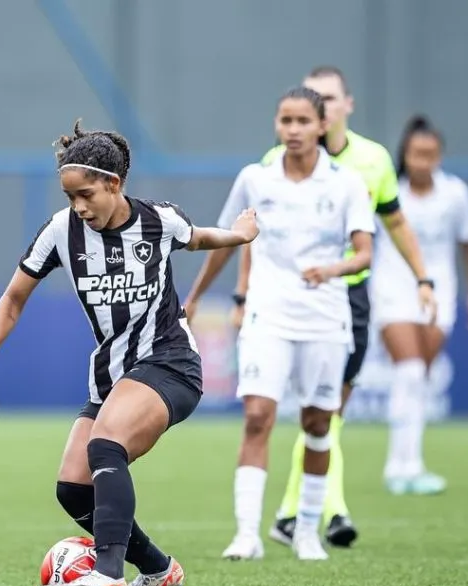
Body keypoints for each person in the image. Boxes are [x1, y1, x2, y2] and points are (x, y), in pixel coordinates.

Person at [0, 119, 259, 586]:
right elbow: (15, 298)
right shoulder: (61, 232)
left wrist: (239, 235)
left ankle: (105, 577)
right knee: (73, 489)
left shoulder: (157, 220)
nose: (79, 207)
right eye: (70, 197)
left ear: (114, 184)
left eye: (86, 195)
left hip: (170, 364)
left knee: (106, 445)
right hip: (113, 375)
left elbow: (199, 238)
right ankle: (156, 567)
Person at [183, 66, 433, 553]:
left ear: (322, 125)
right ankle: (246, 534)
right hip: (267, 314)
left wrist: (332, 270)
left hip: (325, 316)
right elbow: (228, 239)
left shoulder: (346, 184)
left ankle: (305, 531)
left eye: (302, 121)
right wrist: (195, 297)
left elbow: (365, 252)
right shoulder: (255, 178)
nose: (293, 130)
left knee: (319, 422)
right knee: (257, 415)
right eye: (285, 120)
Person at [373, 115, 468, 494]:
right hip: (392, 286)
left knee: (420, 377)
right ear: (406, 154)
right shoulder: (390, 191)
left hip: (439, 291)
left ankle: (412, 464)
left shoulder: (455, 194)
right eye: (417, 154)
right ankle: (399, 465)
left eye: (431, 155)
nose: (423, 162)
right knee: (407, 370)